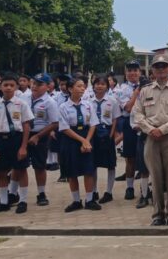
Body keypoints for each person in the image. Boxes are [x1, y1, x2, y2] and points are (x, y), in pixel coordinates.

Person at [134, 54, 168, 226]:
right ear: (152, 70)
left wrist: (163, 129)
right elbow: (137, 114)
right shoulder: (145, 90)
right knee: (155, 176)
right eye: (157, 67)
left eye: (164, 66)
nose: (161, 69)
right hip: (151, 136)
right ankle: (158, 215)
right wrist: (151, 129)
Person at [57, 76, 100, 212]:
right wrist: (82, 140)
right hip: (71, 139)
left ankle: (89, 200)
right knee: (72, 171)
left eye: (83, 86)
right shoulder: (63, 107)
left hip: (87, 136)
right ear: (70, 89)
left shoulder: (88, 104)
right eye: (79, 86)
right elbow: (64, 128)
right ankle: (76, 201)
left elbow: (93, 123)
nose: (82, 89)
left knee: (88, 170)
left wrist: (87, 140)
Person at [0, 73, 34, 213]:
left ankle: (22, 201)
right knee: (1, 172)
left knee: (21, 169)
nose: (8, 88)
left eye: (11, 85)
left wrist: (23, 146)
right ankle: (4, 202)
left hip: (17, 139)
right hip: (0, 139)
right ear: (0, 87)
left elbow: (26, 125)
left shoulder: (21, 104)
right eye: (5, 85)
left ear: (16, 87)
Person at [26, 73, 59, 207]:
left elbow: (55, 123)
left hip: (40, 135)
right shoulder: (24, 98)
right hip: (23, 135)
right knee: (18, 166)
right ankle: (14, 193)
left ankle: (41, 193)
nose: (35, 86)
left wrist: (38, 136)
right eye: (34, 83)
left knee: (39, 166)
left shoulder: (50, 102)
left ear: (47, 87)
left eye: (39, 84)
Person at [88, 74, 120, 204]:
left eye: (103, 84)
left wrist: (111, 135)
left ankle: (109, 192)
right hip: (94, 133)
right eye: (97, 84)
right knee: (93, 163)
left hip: (107, 132)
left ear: (107, 86)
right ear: (93, 86)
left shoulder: (112, 101)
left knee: (110, 164)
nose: (100, 86)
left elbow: (115, 119)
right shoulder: (89, 101)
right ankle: (94, 191)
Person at [117, 60, 142, 200]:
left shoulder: (148, 86)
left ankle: (145, 188)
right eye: (129, 70)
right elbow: (127, 108)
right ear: (126, 73)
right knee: (130, 158)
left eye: (135, 70)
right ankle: (130, 187)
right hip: (129, 124)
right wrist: (136, 92)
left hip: (145, 123)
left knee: (146, 157)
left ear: (140, 72)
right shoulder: (122, 89)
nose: (132, 73)